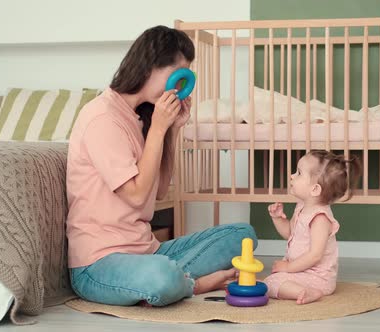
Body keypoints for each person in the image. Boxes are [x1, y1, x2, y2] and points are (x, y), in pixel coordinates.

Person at [65, 25, 256, 307]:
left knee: (243, 237)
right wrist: (158, 128)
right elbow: (136, 195)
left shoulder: (139, 117)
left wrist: (172, 130)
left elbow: (160, 190)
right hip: (99, 263)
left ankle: (168, 279)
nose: (178, 89)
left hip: (146, 250)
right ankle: (190, 283)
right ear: (149, 66)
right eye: (177, 76)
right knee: (161, 276)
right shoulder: (102, 118)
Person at [263, 150, 361, 304]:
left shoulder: (320, 219)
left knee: (269, 284)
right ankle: (295, 287)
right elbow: (289, 232)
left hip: (317, 278)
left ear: (314, 189)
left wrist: (288, 268)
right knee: (270, 281)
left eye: (299, 173)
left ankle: (306, 292)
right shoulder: (302, 206)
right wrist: (277, 218)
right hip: (301, 271)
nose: (292, 176)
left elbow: (315, 255)